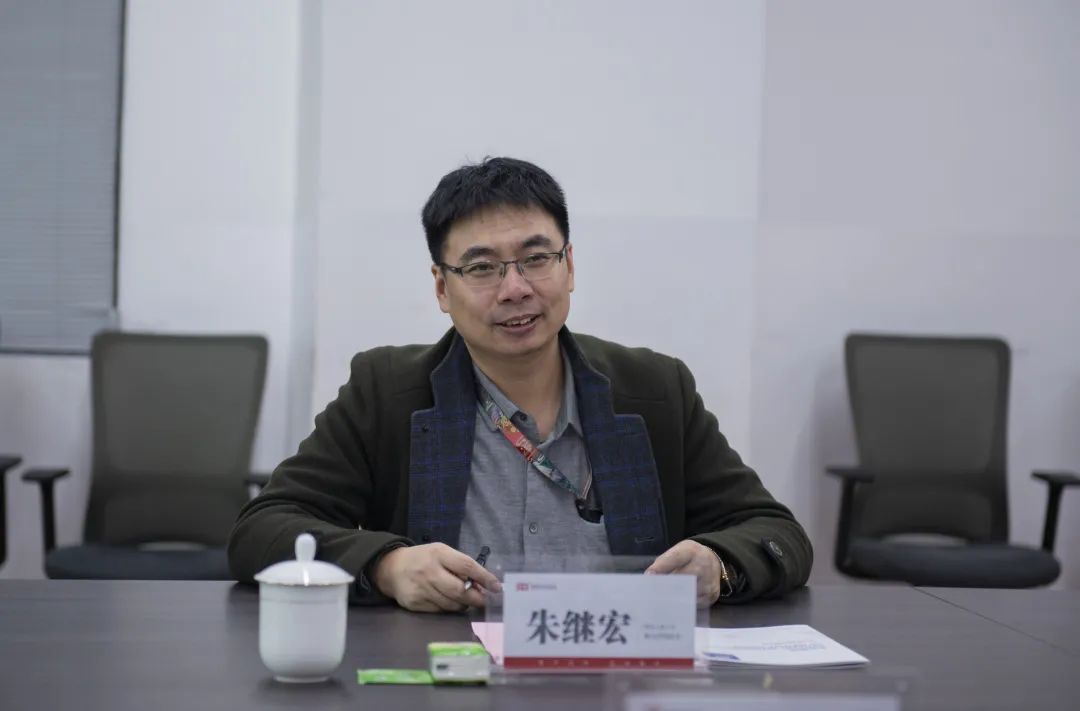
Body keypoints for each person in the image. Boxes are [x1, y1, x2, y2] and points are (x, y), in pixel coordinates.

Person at [228, 157, 812, 612]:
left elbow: (778, 534)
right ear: (441, 287)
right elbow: (263, 530)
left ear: (569, 265)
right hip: (449, 672)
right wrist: (386, 565)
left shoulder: (655, 390)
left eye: (536, 259)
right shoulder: (386, 391)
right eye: (482, 267)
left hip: (618, 673)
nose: (515, 289)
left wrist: (719, 565)